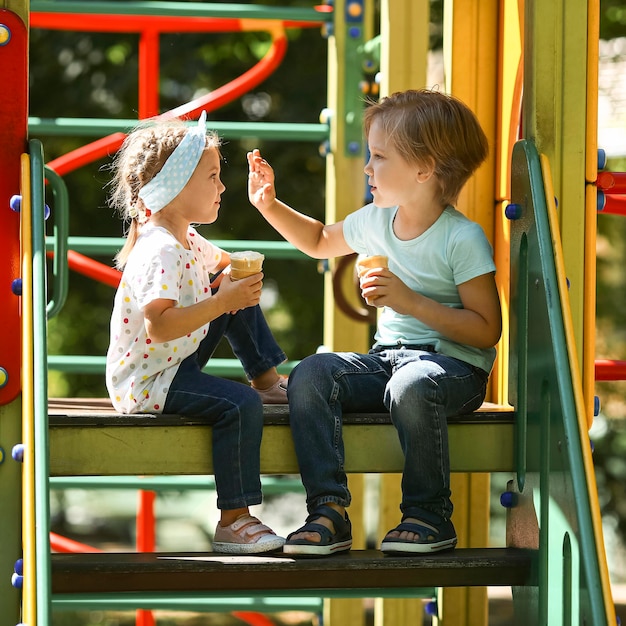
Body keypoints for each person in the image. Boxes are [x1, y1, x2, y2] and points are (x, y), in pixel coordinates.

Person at [247, 89, 501, 556]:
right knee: (311, 373)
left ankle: (428, 516)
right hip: (389, 361)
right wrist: (269, 205)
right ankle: (328, 511)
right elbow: (321, 239)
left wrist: (410, 301)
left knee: (413, 383)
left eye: (379, 157)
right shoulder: (376, 220)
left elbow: (487, 331)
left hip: (454, 369)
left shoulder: (462, 238)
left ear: (424, 169)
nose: (368, 167)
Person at [105, 111, 287, 554]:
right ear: (176, 187)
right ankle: (234, 521)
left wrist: (235, 283)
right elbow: (160, 326)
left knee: (234, 289)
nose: (221, 187)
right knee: (239, 406)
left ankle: (267, 381)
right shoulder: (161, 250)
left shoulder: (185, 238)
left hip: (172, 360)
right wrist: (223, 300)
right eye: (212, 177)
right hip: (148, 382)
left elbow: (222, 266)